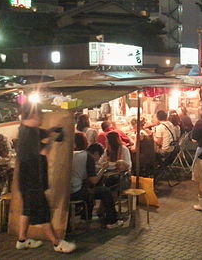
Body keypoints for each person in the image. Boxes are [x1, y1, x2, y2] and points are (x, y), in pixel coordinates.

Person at [16, 104, 76, 253]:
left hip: (24, 179)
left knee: (27, 210)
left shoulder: (24, 130)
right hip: (33, 180)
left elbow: (40, 133)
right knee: (42, 212)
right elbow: (44, 152)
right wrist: (52, 140)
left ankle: (22, 240)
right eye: (40, 116)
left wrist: (50, 131)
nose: (42, 118)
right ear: (34, 116)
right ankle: (57, 243)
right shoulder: (30, 135)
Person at [70, 137, 123, 229]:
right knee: (105, 191)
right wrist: (103, 169)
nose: (98, 160)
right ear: (96, 153)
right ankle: (111, 221)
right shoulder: (89, 158)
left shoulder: (76, 154)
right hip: (76, 193)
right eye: (99, 156)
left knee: (92, 188)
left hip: (67, 190)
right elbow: (94, 180)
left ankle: (85, 217)